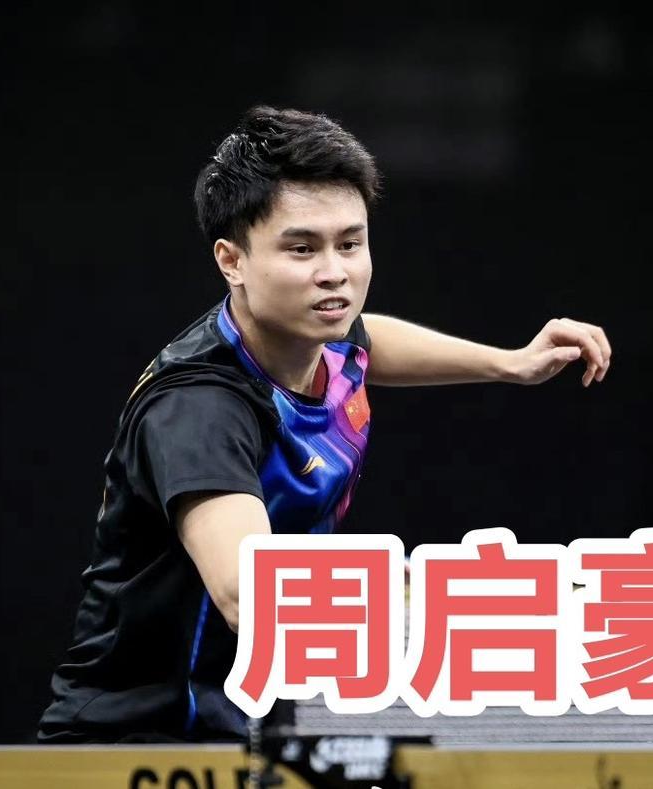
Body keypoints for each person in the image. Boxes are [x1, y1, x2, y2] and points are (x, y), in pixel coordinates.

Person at [37, 106, 611, 743]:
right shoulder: (200, 408)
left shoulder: (319, 335)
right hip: (141, 740)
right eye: (302, 248)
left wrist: (511, 364)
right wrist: (447, 602)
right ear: (232, 260)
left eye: (350, 243)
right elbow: (248, 598)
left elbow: (366, 342)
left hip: (252, 725)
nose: (334, 272)